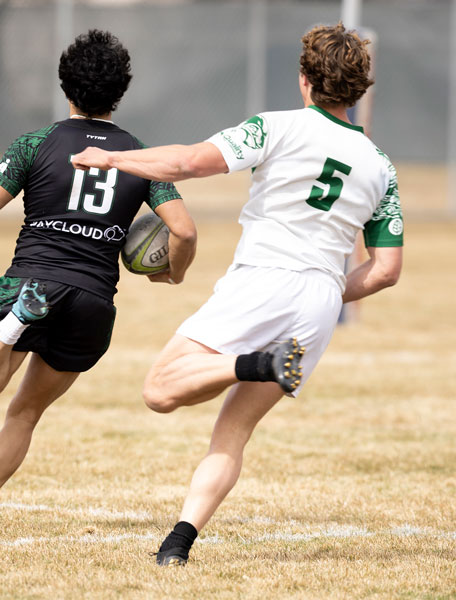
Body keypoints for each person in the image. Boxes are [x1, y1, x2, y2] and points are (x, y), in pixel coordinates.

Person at [72, 22, 403, 565]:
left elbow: (186, 163)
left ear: (304, 80)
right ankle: (178, 543)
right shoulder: (382, 167)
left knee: (159, 390)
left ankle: (255, 362)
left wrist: (112, 159)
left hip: (264, 278)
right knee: (234, 430)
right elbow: (385, 270)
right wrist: (322, 293)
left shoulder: (275, 127)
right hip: (321, 301)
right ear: (360, 90)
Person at [0, 29, 200, 531]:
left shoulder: (35, 144)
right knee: (25, 413)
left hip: (32, 280)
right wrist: (173, 273)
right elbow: (184, 231)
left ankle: (14, 323)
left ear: (66, 87)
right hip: (92, 301)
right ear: (119, 92)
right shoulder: (138, 156)